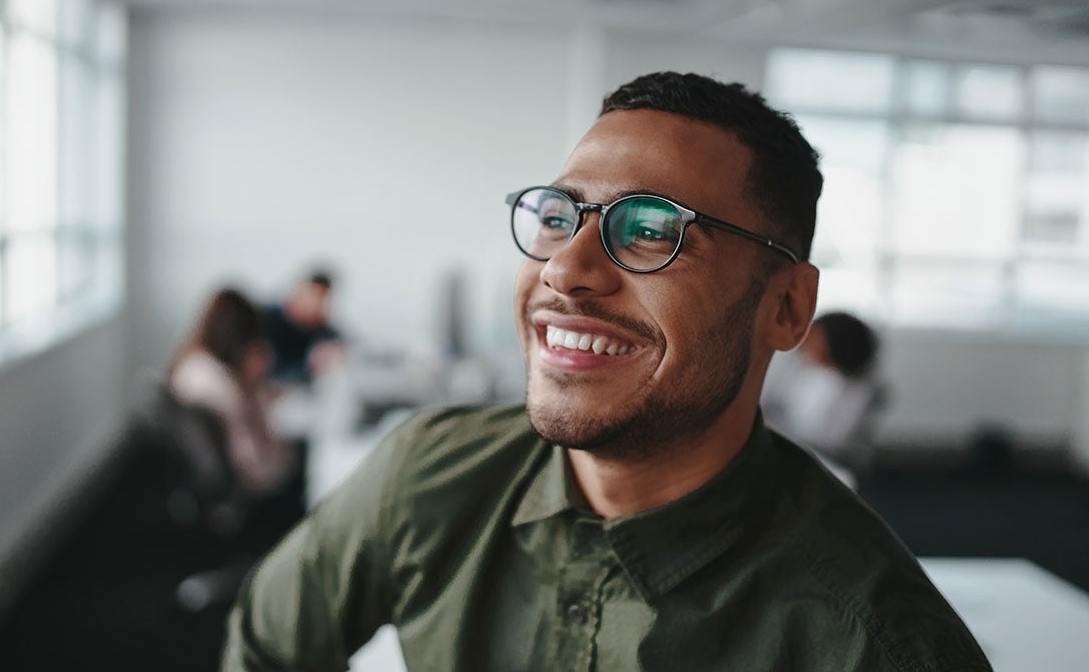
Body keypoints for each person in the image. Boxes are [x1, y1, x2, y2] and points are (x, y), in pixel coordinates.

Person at [223, 73, 990, 671]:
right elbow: (266, 648)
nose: (565, 267)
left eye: (652, 229)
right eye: (559, 216)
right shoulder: (429, 474)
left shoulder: (873, 643)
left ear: (787, 307)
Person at [168, 288, 296, 514]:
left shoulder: (194, 362)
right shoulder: (221, 385)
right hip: (243, 486)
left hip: (206, 476)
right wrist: (254, 386)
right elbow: (253, 462)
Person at [762, 311, 884, 471]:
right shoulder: (797, 365)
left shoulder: (859, 390)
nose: (805, 341)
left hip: (824, 463)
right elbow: (772, 401)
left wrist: (777, 429)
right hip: (784, 448)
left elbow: (833, 441)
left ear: (837, 342)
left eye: (814, 338)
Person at [263, 271, 344, 385]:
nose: (313, 304)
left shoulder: (324, 335)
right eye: (312, 295)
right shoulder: (266, 318)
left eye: (321, 299)